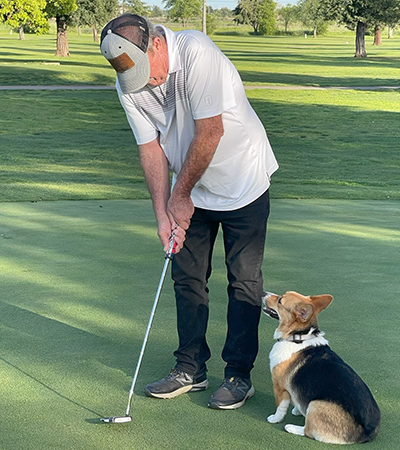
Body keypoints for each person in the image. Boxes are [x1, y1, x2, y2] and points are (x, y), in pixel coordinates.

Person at [100, 13, 278, 410]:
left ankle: (238, 375)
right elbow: (150, 148)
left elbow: (210, 131)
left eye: (147, 71)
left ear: (157, 44)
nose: (145, 82)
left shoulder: (197, 51)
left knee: (244, 281)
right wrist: (164, 213)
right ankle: (190, 368)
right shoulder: (127, 79)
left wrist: (180, 196)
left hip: (242, 182)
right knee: (187, 277)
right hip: (190, 189)